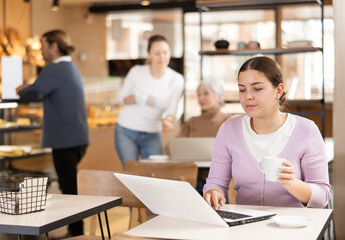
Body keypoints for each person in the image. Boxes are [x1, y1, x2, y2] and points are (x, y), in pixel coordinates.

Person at [203, 56, 330, 209]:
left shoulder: (306, 130)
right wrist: (213, 192)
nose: (247, 96)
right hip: (246, 224)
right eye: (242, 89)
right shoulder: (229, 129)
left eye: (257, 88)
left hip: (293, 226)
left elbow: (322, 197)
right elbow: (215, 183)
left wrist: (293, 184)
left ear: (278, 90)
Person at [16, 30, 89, 236]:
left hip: (65, 139)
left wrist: (21, 89)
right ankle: (77, 230)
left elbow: (32, 94)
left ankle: (77, 233)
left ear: (53, 46)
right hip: (77, 137)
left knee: (69, 189)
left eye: (43, 45)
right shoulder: (69, 67)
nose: (42, 50)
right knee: (70, 186)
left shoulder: (55, 69)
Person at [115, 34, 184, 167]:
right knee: (132, 172)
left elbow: (172, 109)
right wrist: (132, 99)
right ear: (149, 54)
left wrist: (168, 121)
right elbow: (120, 98)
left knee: (156, 173)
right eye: (157, 53)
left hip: (152, 133)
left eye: (165, 52)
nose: (162, 57)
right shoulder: (136, 72)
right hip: (126, 130)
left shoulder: (176, 79)